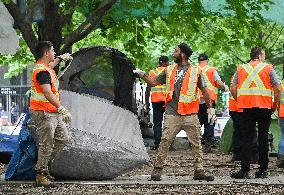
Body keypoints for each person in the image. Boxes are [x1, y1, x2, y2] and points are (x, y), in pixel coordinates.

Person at [134, 43, 215, 181]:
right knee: (164, 141)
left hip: (190, 114)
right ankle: (157, 170)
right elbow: (153, 82)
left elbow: (205, 91)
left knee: (196, 143)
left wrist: (210, 108)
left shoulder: (196, 71)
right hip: (172, 113)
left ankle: (199, 171)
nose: (173, 53)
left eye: (176, 51)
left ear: (183, 54)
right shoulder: (169, 70)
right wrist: (142, 74)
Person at [230, 46, 281, 179]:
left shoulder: (241, 68)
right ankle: (263, 170)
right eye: (263, 55)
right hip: (264, 108)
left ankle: (245, 170)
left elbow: (233, 87)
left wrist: (239, 100)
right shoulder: (268, 68)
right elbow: (277, 88)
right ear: (259, 56)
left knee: (246, 138)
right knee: (263, 139)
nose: (264, 57)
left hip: (247, 108)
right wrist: (274, 105)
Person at [29, 41, 73, 187]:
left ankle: (43, 167)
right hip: (43, 112)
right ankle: (41, 174)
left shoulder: (47, 68)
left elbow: (53, 64)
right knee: (46, 143)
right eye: (53, 51)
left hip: (52, 111)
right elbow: (47, 92)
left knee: (63, 138)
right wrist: (61, 107)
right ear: (46, 53)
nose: (54, 53)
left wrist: (61, 57)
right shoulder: (41, 71)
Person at [197, 53, 228, 153]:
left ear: (198, 61)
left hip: (196, 100)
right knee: (210, 121)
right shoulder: (211, 70)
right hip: (209, 100)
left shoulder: (194, 70)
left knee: (197, 122)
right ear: (207, 60)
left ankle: (195, 143)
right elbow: (218, 83)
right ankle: (208, 144)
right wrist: (224, 87)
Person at [228, 75, 258, 162]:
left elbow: (233, 89)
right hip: (246, 107)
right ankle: (253, 156)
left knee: (238, 132)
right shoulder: (252, 75)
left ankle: (238, 155)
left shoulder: (236, 74)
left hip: (235, 108)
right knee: (251, 132)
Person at [145, 56, 169, 150]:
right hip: (168, 101)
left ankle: (158, 144)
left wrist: (146, 103)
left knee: (157, 123)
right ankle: (167, 145)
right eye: (168, 62)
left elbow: (148, 89)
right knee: (169, 123)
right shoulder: (169, 72)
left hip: (156, 101)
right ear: (164, 62)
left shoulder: (152, 72)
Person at [277, 81, 284, 168]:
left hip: (282, 113)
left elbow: (278, 99)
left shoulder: (282, 84)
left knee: (283, 136)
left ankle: (281, 157)